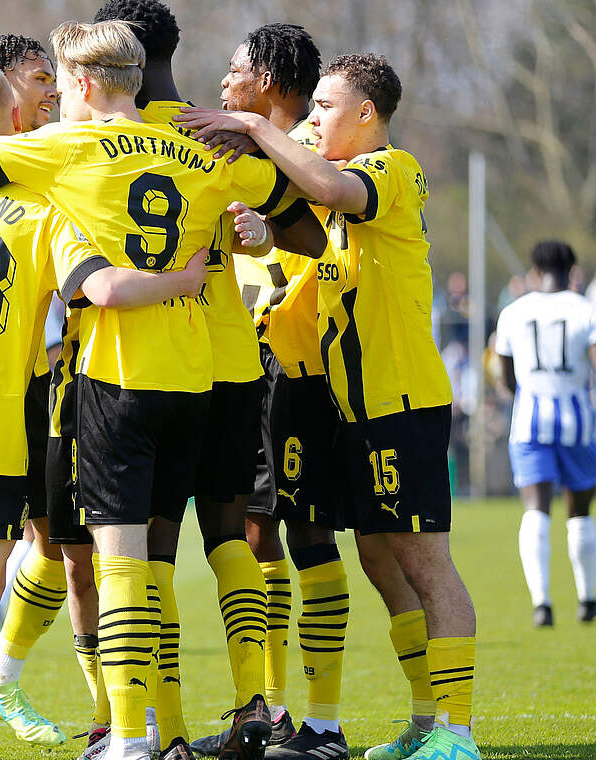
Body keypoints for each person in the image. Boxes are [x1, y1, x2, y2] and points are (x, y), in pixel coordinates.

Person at [0, 20, 301, 760]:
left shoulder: (65, 146)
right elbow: (291, 199)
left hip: (114, 379)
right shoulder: (203, 147)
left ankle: (132, 737)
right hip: (196, 378)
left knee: (122, 565)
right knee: (172, 558)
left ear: (86, 84)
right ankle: (207, 718)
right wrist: (253, 143)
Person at [178, 53, 483, 760]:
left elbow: (322, 185)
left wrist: (254, 123)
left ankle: (459, 736)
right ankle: (426, 721)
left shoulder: (389, 170)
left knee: (424, 563)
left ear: (366, 115)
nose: (314, 120)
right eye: (310, 107)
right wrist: (256, 223)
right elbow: (294, 214)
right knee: (382, 560)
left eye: (326, 107)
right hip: (359, 407)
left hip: (400, 401)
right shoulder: (334, 192)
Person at [87, 6, 326, 759]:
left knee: (148, 552)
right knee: (231, 536)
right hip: (231, 361)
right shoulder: (213, 131)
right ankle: (255, 699)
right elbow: (313, 233)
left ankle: (173, 735)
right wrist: (257, 217)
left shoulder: (94, 139)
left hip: (146, 368)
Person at [191, 22, 359, 760]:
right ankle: (271, 712)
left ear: (271, 85)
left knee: (307, 534)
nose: (225, 82)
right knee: (256, 535)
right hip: (244, 371)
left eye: (237, 72)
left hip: (300, 371)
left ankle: (321, 724)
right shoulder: (237, 150)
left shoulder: (312, 157)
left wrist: (269, 240)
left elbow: (317, 251)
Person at [0, 33, 69, 749]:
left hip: (48, 380)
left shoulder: (56, 154)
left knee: (59, 546)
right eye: (39, 79)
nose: (52, 91)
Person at [494, 240, 596, 628]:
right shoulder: (588, 311)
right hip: (576, 420)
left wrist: (520, 393)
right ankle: (587, 599)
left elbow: (505, 377)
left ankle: (542, 604)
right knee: (580, 512)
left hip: (529, 421)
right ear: (573, 271)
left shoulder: (513, 312)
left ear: (535, 272)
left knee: (535, 509)